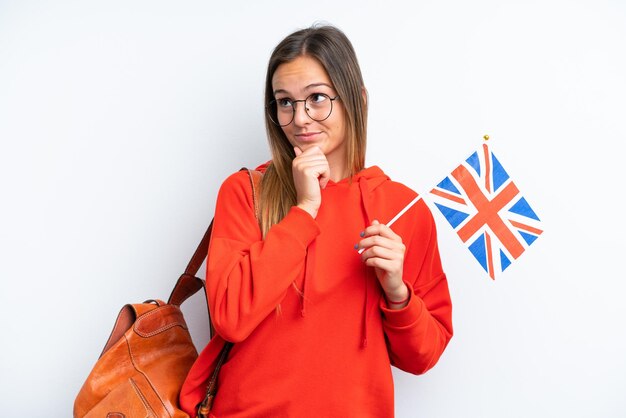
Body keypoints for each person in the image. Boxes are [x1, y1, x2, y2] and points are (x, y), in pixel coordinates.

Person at [180, 24, 453, 417]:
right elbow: (230, 320)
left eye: (317, 98)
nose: (300, 118)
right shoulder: (245, 192)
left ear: (356, 99)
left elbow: (422, 357)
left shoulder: (403, 209)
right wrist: (305, 208)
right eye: (285, 102)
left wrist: (398, 292)